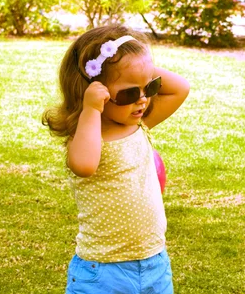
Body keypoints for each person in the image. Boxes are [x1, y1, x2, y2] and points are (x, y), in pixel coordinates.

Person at [44, 25, 190, 294]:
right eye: (129, 93)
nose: (143, 99)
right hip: (103, 273)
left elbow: (180, 88)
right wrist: (90, 109)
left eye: (148, 87)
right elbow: (84, 166)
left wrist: (139, 69)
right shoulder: (88, 136)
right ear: (94, 90)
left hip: (154, 264)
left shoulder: (140, 124)